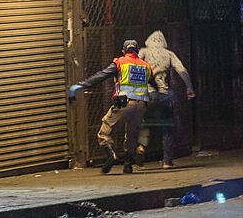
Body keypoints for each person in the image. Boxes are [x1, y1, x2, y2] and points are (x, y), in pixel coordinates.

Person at [67, 40, 155, 174]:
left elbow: (101, 75)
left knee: (104, 133)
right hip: (141, 105)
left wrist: (82, 85)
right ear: (137, 51)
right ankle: (128, 165)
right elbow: (152, 83)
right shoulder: (147, 66)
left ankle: (111, 156)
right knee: (132, 135)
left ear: (124, 51)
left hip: (124, 103)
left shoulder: (120, 62)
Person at [135, 30, 195, 169]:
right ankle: (167, 161)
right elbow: (182, 71)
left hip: (148, 94)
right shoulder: (169, 54)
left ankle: (141, 147)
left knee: (146, 123)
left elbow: (135, 66)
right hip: (164, 95)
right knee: (167, 127)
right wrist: (189, 88)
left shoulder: (143, 51)